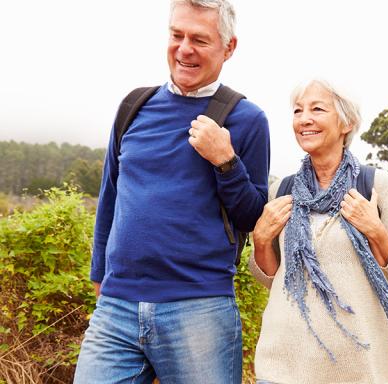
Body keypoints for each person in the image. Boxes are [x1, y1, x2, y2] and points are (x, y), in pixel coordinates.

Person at [73, 1, 270, 383]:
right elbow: (110, 197)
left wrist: (225, 161)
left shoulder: (248, 120)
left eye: (199, 39)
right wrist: (101, 277)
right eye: (176, 35)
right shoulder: (134, 106)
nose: (184, 49)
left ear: (228, 48)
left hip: (199, 309)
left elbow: (252, 218)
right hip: (116, 308)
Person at [249, 79, 388, 384]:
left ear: (346, 123)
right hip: (283, 365)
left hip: (358, 369)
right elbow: (271, 279)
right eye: (298, 111)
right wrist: (260, 240)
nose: (304, 119)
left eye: (317, 109)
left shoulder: (376, 186)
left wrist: (375, 229)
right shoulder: (282, 191)